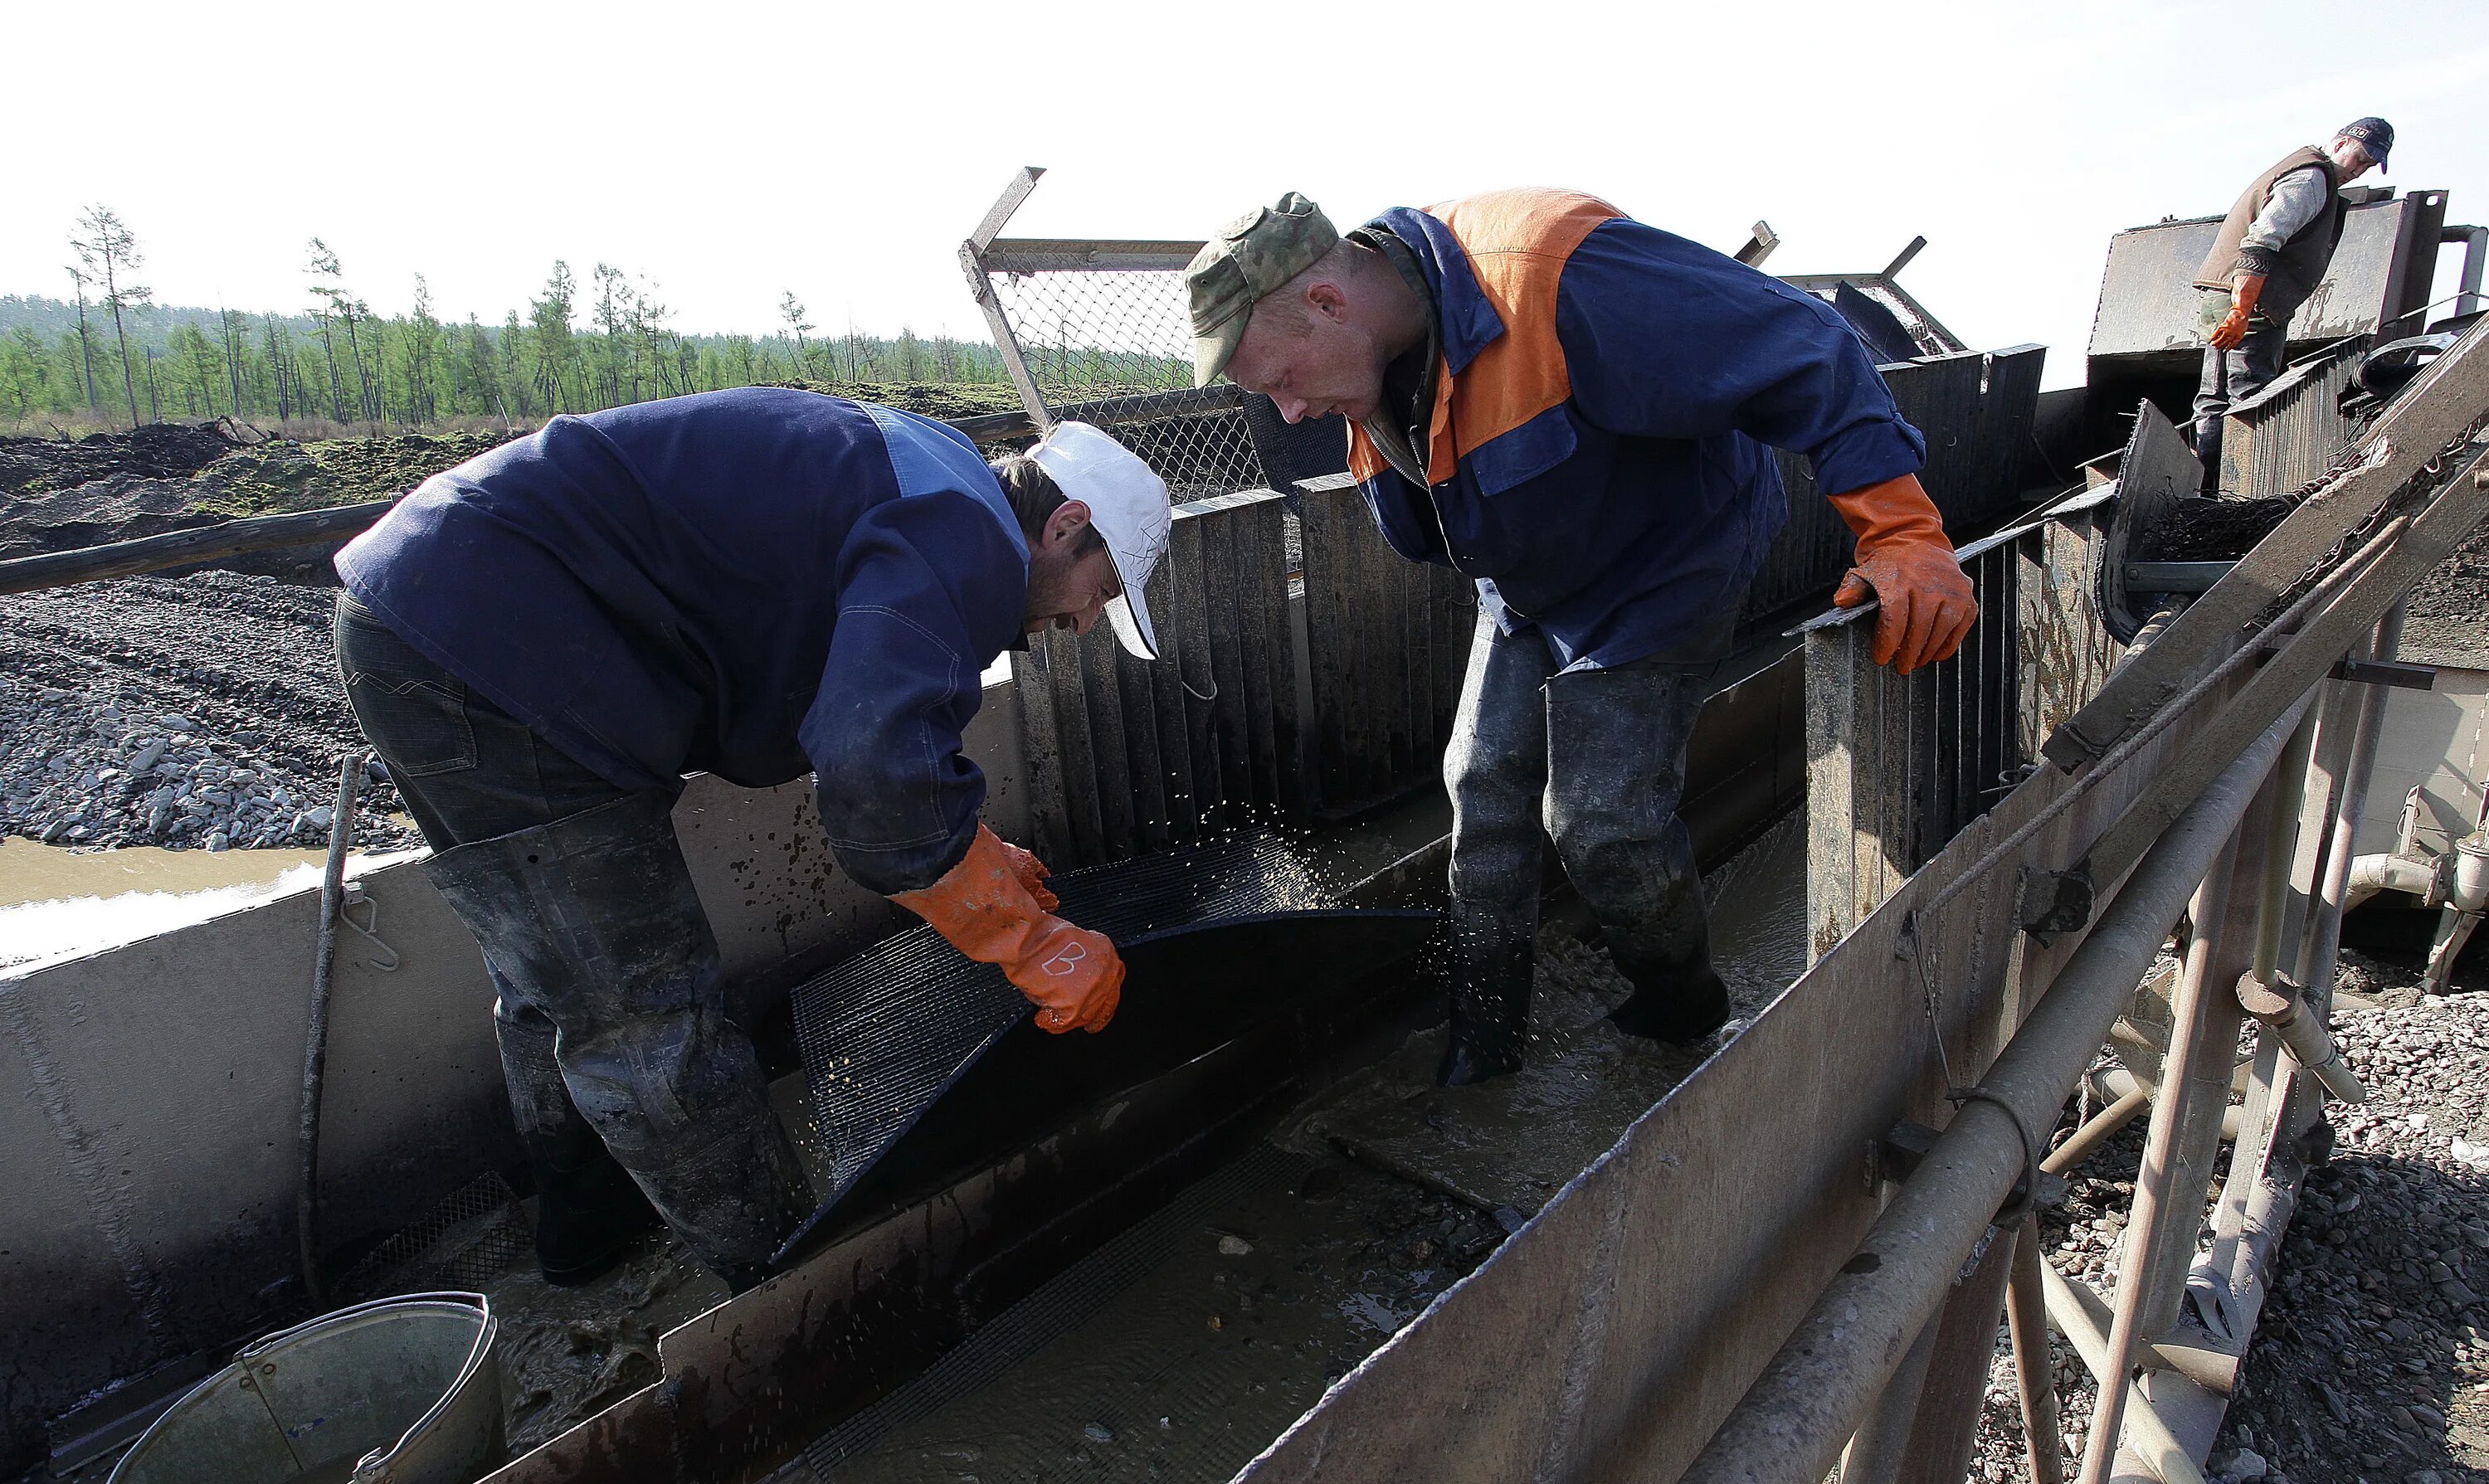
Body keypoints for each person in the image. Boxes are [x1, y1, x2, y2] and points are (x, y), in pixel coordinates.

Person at [332, 390, 1170, 1288]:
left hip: (434, 609)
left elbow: (852, 707)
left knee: (559, 976)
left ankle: (585, 1246)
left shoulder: (934, 479)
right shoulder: (972, 541)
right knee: (647, 1015)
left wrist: (974, 850)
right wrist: (1028, 936)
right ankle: (790, 1300)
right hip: (498, 643)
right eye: (1101, 592)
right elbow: (878, 787)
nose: (1083, 626)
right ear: (1065, 524)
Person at [1186, 189, 1973, 1084]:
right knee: (1480, 787)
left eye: (1280, 381)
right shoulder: (1358, 376)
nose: (1288, 414)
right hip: (1533, 571)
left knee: (1600, 821)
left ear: (1329, 303)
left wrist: (1900, 528)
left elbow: (1804, 342)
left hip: (1665, 560)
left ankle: (1682, 1024)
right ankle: (1483, 1047)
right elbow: (1441, 520)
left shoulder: (1550, 272)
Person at [2191, 117, 2394, 479]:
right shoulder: (2312, 180)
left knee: (2215, 397)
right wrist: (2241, 309)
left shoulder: (2310, 175)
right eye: (2360, 157)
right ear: (2340, 142)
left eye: (2369, 165)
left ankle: (2204, 489)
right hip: (2248, 302)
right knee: (2249, 399)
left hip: (2228, 294)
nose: (2360, 170)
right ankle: (2233, 492)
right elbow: (2260, 243)